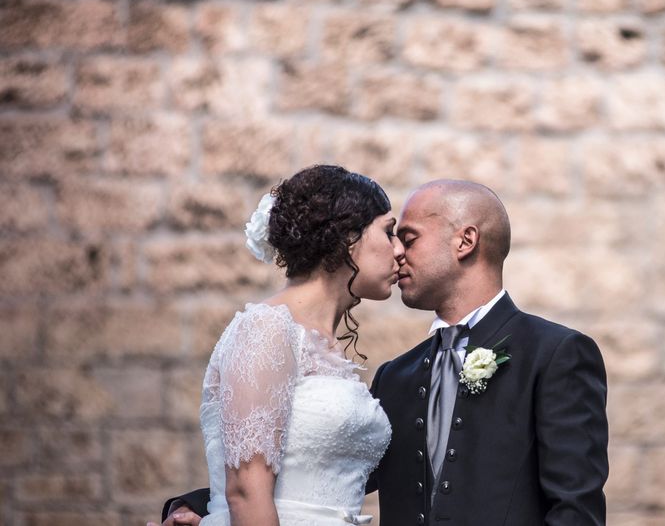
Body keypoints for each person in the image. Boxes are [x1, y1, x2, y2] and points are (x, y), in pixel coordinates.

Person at [157, 179, 609, 526]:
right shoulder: (397, 374)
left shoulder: (555, 354)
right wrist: (208, 503)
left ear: (465, 242)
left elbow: (576, 508)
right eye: (393, 236)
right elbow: (334, 465)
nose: (397, 253)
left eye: (408, 238)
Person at [153, 165, 403, 526]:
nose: (398, 250)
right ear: (347, 236)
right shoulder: (266, 329)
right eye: (389, 232)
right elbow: (245, 493)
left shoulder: (326, 350)